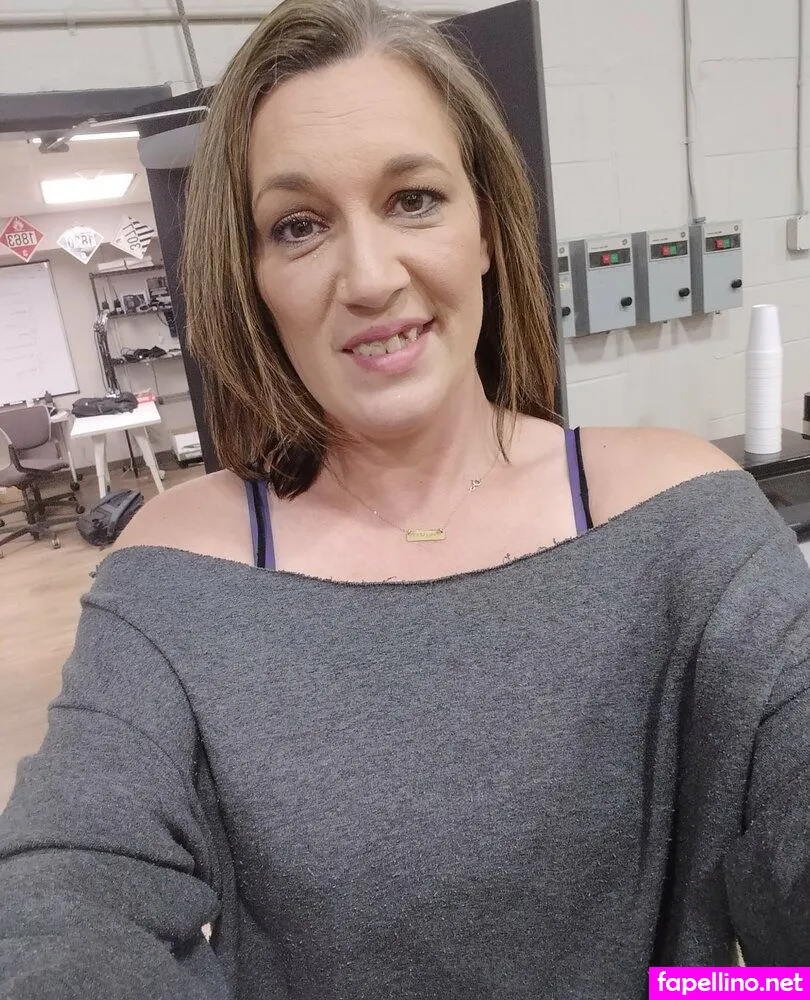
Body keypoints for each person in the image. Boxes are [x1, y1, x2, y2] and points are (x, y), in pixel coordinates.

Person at [1, 0, 808, 995]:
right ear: (253, 277)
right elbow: (66, 894)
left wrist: (750, 988)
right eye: (299, 226)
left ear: (486, 227)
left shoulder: (687, 526)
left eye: (414, 199)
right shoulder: (176, 578)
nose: (370, 277)